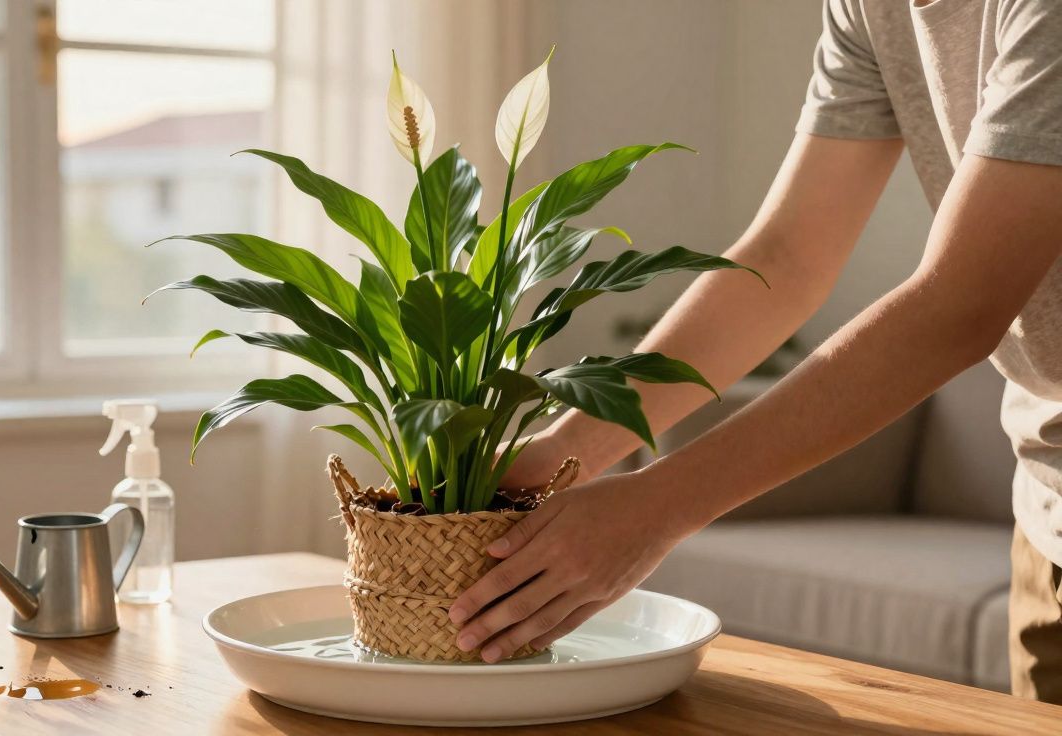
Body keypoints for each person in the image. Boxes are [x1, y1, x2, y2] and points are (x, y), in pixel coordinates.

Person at [450, 0, 1062, 701]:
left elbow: (958, 308)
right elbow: (786, 257)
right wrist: (570, 450)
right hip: (1045, 510)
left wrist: (655, 508)